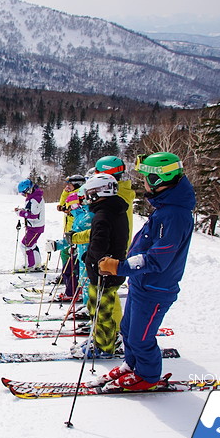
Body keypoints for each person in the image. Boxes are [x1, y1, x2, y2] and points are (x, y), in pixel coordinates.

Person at [97, 152, 195, 391]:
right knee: (128, 330)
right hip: (143, 284)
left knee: (141, 338)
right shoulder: (165, 207)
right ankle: (132, 365)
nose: (143, 183)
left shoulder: (174, 214)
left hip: (156, 288)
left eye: (146, 178)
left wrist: (120, 267)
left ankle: (148, 377)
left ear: (159, 179)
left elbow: (159, 258)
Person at [72, 173, 129, 358]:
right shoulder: (116, 210)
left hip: (103, 270)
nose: (88, 198)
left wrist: (89, 257)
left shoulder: (103, 215)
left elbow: (99, 244)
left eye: (90, 194)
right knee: (100, 307)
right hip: (113, 267)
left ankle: (104, 346)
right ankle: (103, 339)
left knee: (100, 310)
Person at [55, 174, 85, 296]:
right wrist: (64, 193)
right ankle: (67, 279)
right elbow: (62, 206)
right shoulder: (72, 194)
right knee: (67, 255)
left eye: (70, 184)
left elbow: (66, 207)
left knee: (70, 257)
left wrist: (66, 207)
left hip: (76, 231)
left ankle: (72, 283)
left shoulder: (79, 195)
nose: (68, 186)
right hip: (70, 229)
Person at [14, 179, 45, 271]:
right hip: (34, 226)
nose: (23, 195)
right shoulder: (33, 196)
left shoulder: (35, 199)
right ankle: (37, 264)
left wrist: (20, 213)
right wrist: (22, 210)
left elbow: (33, 215)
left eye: (23, 193)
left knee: (25, 245)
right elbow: (31, 210)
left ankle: (31, 265)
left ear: (28, 190)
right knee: (32, 245)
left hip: (35, 227)